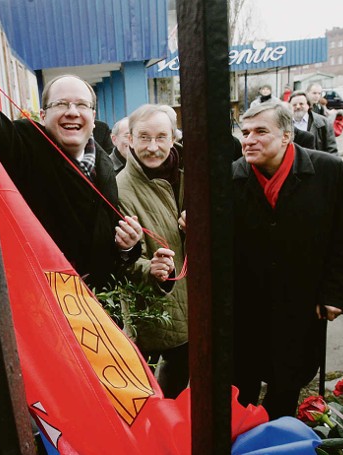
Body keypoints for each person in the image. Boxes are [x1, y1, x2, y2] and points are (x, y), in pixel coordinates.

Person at [232, 100, 343, 420]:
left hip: (302, 303)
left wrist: (334, 294)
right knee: (240, 391)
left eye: (261, 131)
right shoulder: (229, 177)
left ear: (287, 135)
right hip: (246, 308)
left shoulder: (327, 171)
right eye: (245, 132)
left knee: (286, 385)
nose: (249, 139)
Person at [0, 74, 143, 290]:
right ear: (43, 116)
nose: (72, 112)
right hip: (43, 300)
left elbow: (104, 240)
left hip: (98, 307)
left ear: (93, 118)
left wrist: (127, 246)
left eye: (81, 105)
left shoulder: (104, 164)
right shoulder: (24, 144)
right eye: (61, 104)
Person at [116, 104, 188, 398]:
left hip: (197, 299)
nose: (153, 147)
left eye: (161, 137)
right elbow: (122, 259)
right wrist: (150, 268)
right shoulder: (120, 189)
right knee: (157, 388)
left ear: (173, 138)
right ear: (129, 140)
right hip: (157, 306)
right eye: (144, 137)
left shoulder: (190, 175)